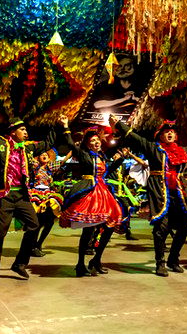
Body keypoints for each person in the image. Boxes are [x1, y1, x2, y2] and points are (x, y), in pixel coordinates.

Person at [111, 116, 187, 276]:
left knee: (184, 228)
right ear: (160, 135)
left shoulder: (182, 151)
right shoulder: (153, 148)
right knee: (161, 229)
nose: (170, 134)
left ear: (176, 136)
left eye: (172, 132)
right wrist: (118, 124)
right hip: (160, 193)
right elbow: (134, 137)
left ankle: (173, 259)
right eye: (166, 132)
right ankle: (160, 263)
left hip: (180, 194)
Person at [0, 116, 58, 286]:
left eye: (26, 130)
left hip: (22, 196)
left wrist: (61, 126)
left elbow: (48, 143)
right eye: (23, 130)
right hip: (4, 195)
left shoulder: (27, 148)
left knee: (34, 225)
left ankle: (19, 263)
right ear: (13, 131)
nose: (26, 132)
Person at [58, 117, 126, 276]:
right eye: (93, 140)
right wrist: (66, 127)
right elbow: (69, 143)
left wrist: (120, 159)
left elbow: (107, 171)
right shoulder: (82, 154)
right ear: (88, 143)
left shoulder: (102, 157)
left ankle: (96, 260)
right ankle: (81, 264)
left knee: (110, 226)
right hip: (90, 193)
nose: (97, 142)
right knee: (88, 231)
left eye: (98, 140)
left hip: (104, 193)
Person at [29, 148, 64, 258]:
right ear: (38, 157)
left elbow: (62, 161)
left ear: (49, 158)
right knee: (38, 222)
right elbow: (30, 160)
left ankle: (38, 244)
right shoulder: (35, 168)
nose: (44, 156)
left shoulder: (50, 168)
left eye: (46, 155)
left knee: (49, 222)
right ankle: (33, 246)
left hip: (48, 195)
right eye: (41, 155)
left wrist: (73, 149)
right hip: (36, 194)